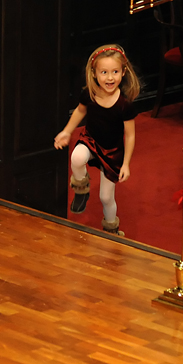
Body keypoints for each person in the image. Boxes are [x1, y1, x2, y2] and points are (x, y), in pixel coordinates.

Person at [54, 44, 140, 236]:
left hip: (112, 152)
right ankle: (81, 188)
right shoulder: (90, 94)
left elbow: (131, 135)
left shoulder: (125, 105)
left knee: (106, 197)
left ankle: (112, 229)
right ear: (94, 74)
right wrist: (67, 132)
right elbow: (80, 111)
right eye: (104, 72)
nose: (110, 78)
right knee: (76, 158)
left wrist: (126, 164)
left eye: (115, 72)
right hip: (90, 141)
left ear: (123, 72)